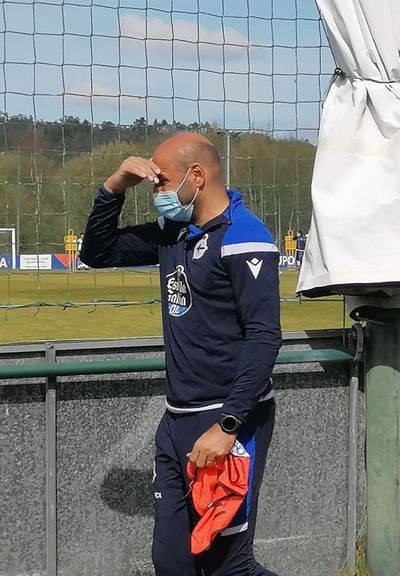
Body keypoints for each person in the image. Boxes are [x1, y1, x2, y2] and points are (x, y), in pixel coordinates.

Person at [79, 132, 282, 576]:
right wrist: (114, 185)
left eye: (161, 183)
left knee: (230, 566)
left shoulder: (246, 237)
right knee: (171, 562)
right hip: (175, 423)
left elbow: (264, 337)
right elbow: (97, 252)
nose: (157, 194)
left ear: (196, 175)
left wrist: (228, 425)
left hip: (226, 423)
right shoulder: (175, 232)